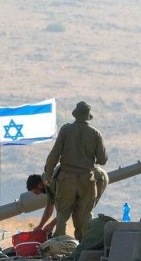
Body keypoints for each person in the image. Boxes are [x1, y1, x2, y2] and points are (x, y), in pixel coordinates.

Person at [44, 101, 108, 240]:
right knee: (85, 216)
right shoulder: (96, 134)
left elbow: (54, 154)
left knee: (62, 214)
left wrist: (48, 174)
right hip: (87, 180)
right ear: (88, 116)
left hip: (67, 179)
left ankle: (60, 243)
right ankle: (83, 246)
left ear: (75, 115)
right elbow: (102, 160)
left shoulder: (66, 130)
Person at [27, 166, 109, 234]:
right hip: (90, 177)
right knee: (79, 215)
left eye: (37, 192)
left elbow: (66, 209)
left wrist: (51, 225)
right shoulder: (49, 183)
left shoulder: (56, 181)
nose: (38, 194)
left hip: (95, 178)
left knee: (83, 214)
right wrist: (40, 226)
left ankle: (93, 239)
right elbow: (49, 208)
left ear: (40, 185)